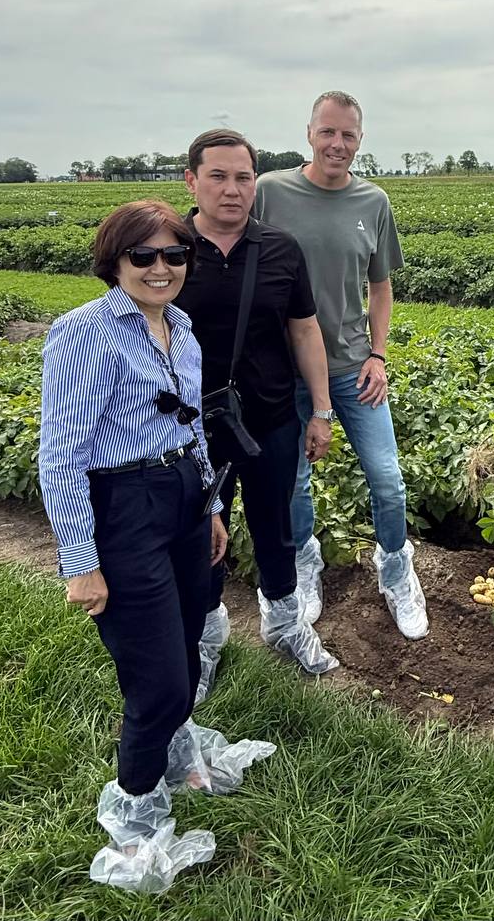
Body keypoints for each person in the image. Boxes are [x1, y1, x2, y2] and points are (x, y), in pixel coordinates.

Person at [39, 200, 272, 891]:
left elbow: (191, 425)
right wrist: (81, 562)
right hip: (124, 510)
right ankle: (136, 827)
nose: (161, 268)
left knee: (189, 634)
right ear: (114, 261)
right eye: (144, 256)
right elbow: (60, 457)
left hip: (180, 500)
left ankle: (180, 758)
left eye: (175, 255)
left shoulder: (183, 328)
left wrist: (208, 508)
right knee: (159, 681)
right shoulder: (84, 333)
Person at [253, 90, 428, 640]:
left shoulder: (373, 202)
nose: (337, 143)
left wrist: (378, 354)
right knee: (294, 483)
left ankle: (397, 570)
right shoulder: (269, 192)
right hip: (284, 372)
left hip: (353, 367)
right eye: (328, 132)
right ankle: (306, 567)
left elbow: (381, 286)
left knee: (388, 479)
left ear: (360, 141)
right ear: (309, 133)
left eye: (348, 134)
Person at [173, 128, 339, 692]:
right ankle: (205, 637)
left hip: (268, 419)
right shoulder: (168, 253)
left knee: (277, 526)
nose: (232, 189)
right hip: (191, 430)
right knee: (203, 534)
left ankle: (286, 623)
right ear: (191, 181)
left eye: (243, 177)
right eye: (217, 176)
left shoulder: (280, 250)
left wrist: (320, 410)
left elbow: (305, 330)